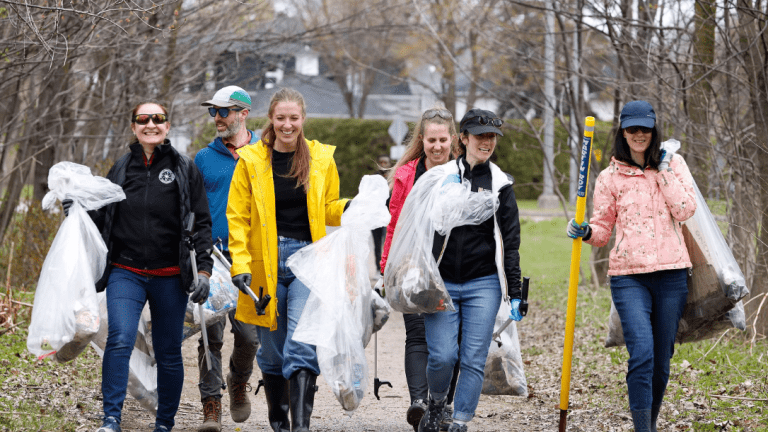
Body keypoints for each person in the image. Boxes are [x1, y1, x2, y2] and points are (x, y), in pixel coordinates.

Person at [65, 102, 213, 432]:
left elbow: (202, 222)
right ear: (133, 127)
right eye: (142, 119)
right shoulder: (120, 168)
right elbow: (102, 217)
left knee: (168, 351)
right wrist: (76, 210)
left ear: (167, 126)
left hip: (170, 276)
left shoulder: (184, 168)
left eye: (157, 119)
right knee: (120, 338)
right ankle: (111, 419)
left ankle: (164, 423)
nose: (150, 124)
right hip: (126, 271)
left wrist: (203, 271)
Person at [567, 100, 696, 432]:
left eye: (645, 129)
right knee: (642, 353)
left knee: (661, 362)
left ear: (654, 130)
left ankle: (648, 423)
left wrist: (664, 170)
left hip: (672, 275)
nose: (639, 134)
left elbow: (685, 209)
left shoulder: (674, 164)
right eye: (632, 129)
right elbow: (602, 231)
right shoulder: (609, 177)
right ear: (623, 132)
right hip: (629, 278)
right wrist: (585, 231)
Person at [226, 87, 349, 432]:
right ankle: (279, 421)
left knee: (301, 343)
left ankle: (301, 427)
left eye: (294, 118)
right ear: (271, 119)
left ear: (303, 119)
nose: (287, 125)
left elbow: (328, 207)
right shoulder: (251, 161)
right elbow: (238, 217)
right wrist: (240, 265)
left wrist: (353, 207)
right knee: (271, 352)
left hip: (307, 260)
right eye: (281, 118)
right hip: (263, 264)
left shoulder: (321, 158)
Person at [414, 108, 524, 432]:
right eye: (480, 136)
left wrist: (516, 293)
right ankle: (437, 402)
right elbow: (417, 229)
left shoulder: (501, 184)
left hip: (483, 284)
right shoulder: (440, 178)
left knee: (473, 358)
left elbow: (511, 243)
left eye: (492, 137)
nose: (486, 142)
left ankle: (460, 421)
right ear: (463, 138)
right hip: (441, 282)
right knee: (442, 356)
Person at [379, 107, 461, 432]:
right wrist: (387, 268)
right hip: (412, 264)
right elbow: (393, 223)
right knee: (416, 335)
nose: (437, 146)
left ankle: (442, 404)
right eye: (431, 140)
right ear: (422, 140)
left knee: (450, 343)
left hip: (452, 268)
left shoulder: (462, 173)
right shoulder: (406, 175)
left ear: (452, 139)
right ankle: (419, 403)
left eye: (443, 140)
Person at [193, 86, 261, 432]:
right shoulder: (203, 159)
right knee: (210, 336)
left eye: (224, 111)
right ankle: (211, 404)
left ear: (243, 114)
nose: (217, 118)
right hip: (213, 259)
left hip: (250, 259)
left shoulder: (264, 153)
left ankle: (238, 380)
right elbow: (191, 209)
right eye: (213, 112)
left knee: (250, 337)